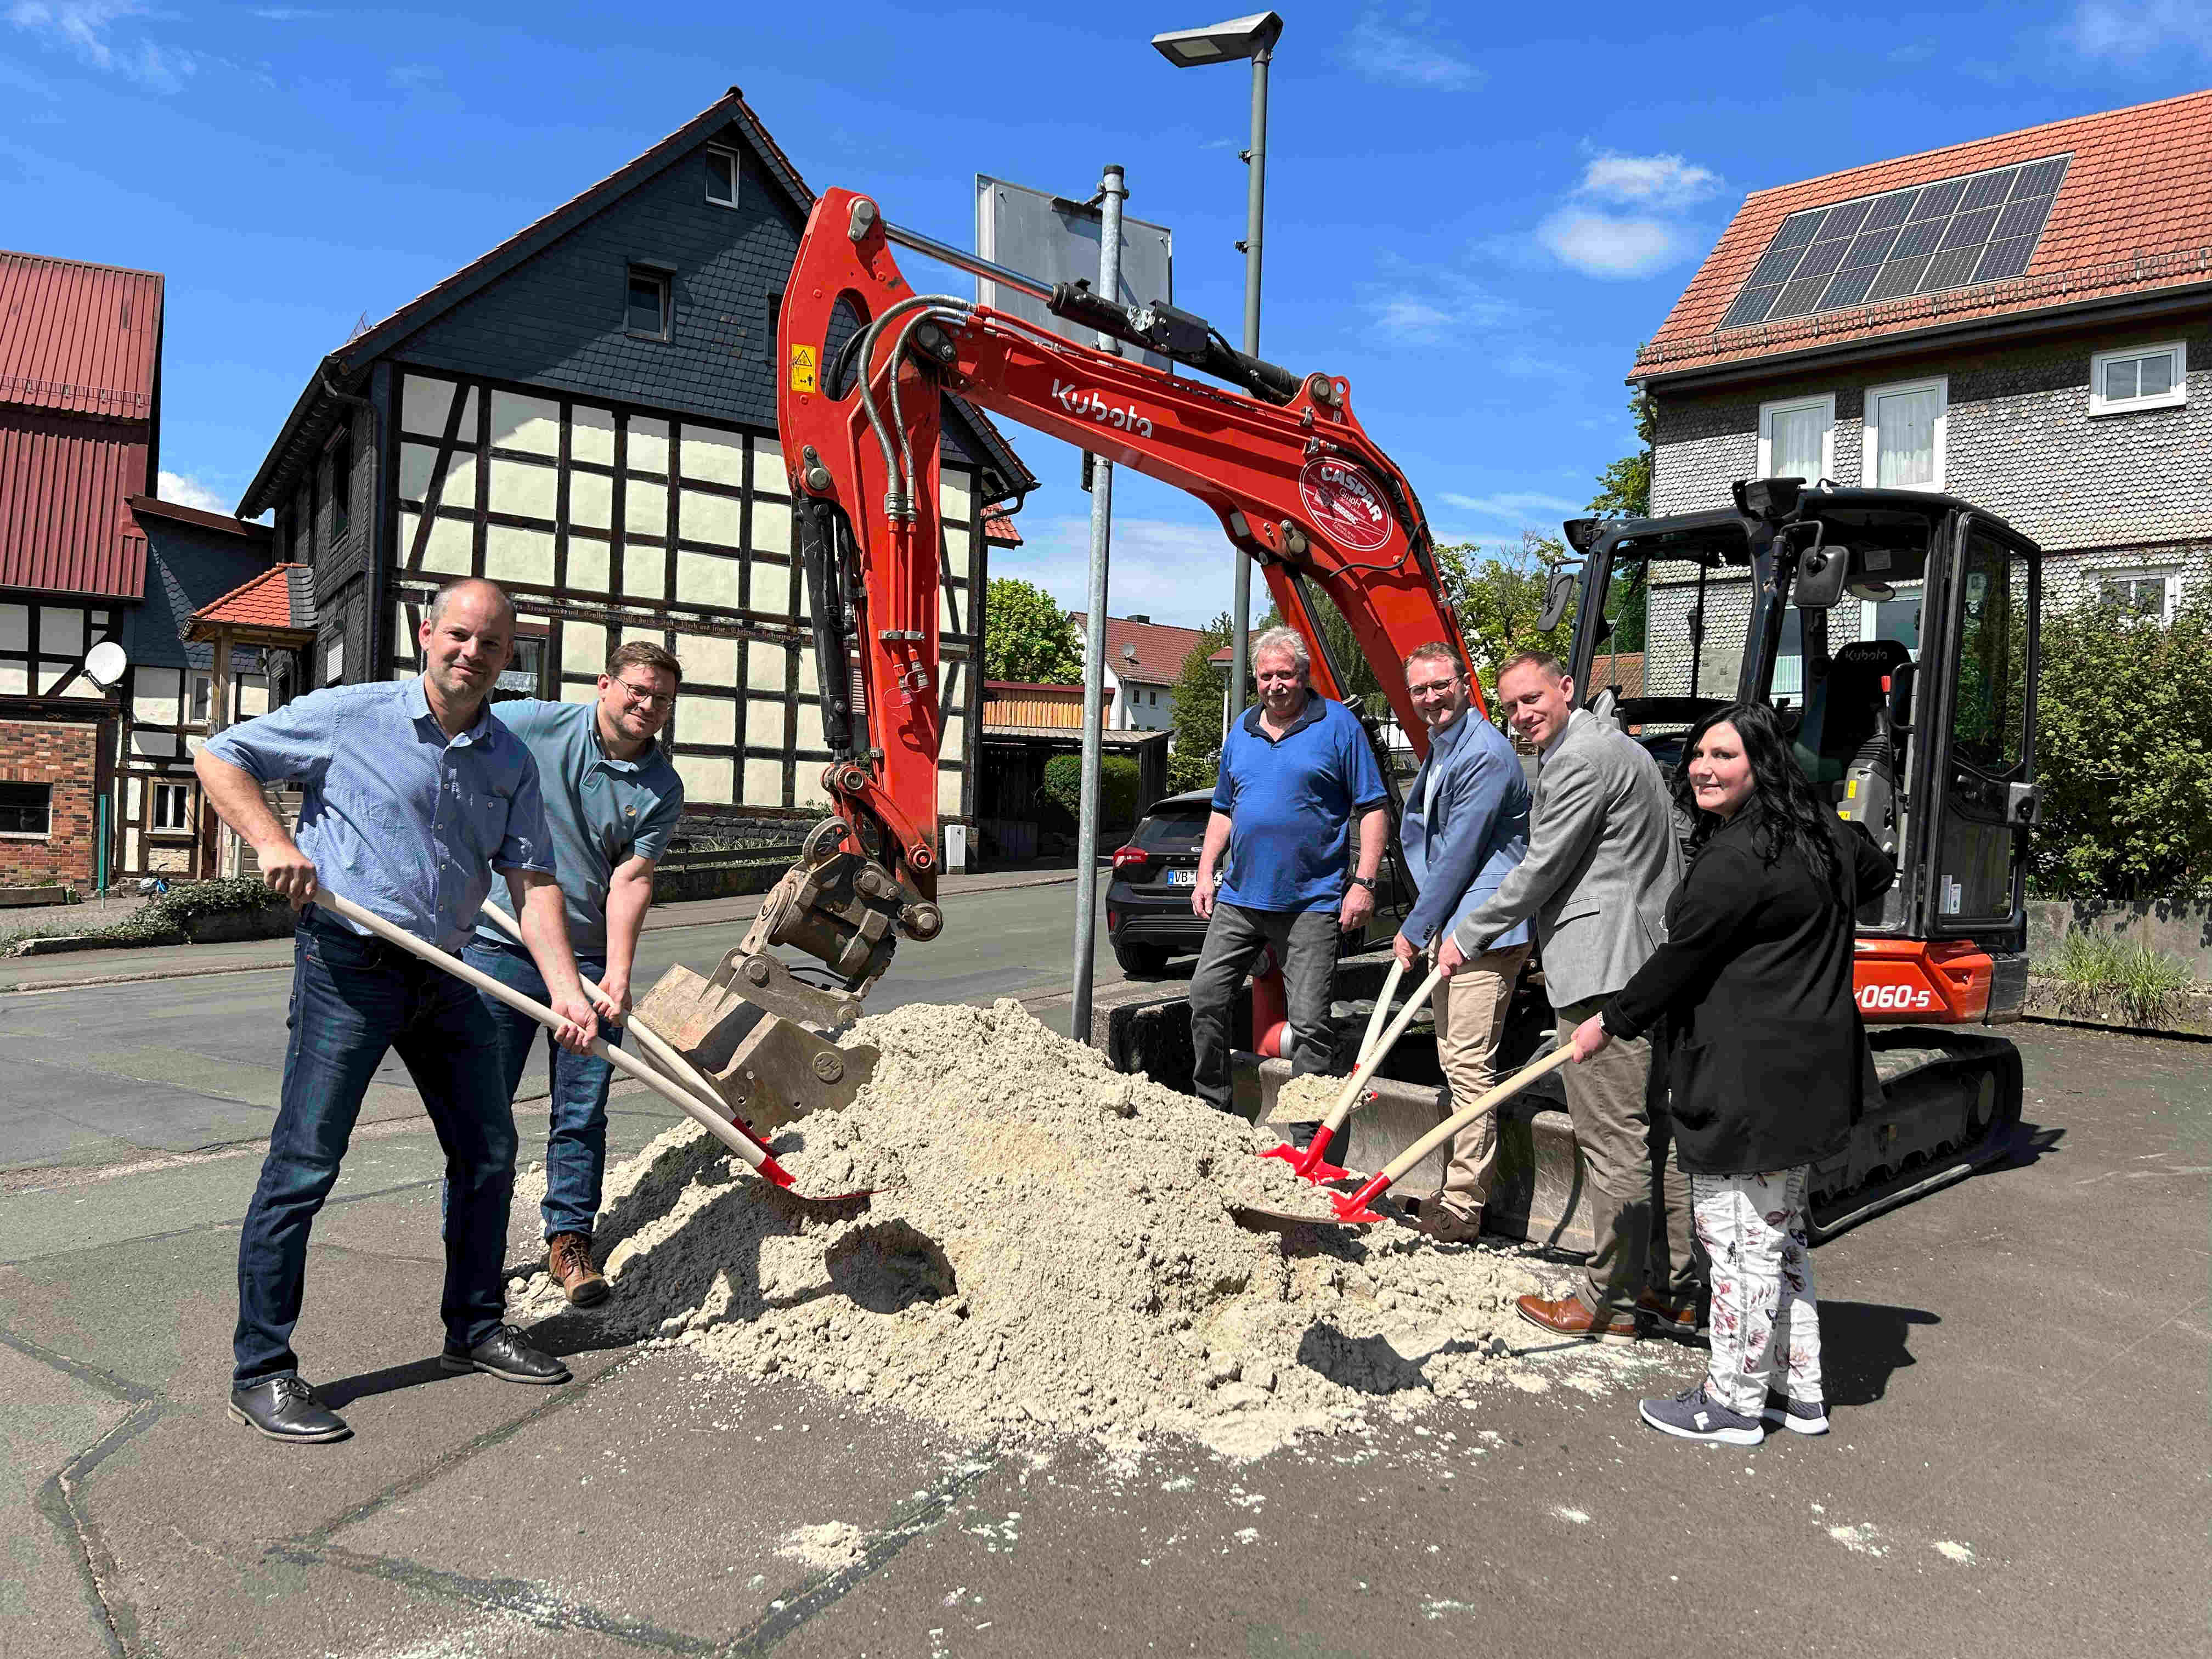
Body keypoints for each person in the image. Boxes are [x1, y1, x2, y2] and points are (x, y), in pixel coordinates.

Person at [197, 577, 603, 1445]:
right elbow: (221, 753)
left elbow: (532, 885)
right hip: (349, 962)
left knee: (489, 1148)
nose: (472, 654)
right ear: (427, 634)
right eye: (459, 636)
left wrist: (566, 990)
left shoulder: (508, 760)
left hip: (445, 966)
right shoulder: (351, 717)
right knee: (305, 1164)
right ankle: (262, 1370)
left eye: (491, 645)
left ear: (508, 657)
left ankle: (476, 1327)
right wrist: (275, 842)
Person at [1571, 702, 1894, 1444]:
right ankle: (1798, 1392)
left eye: (1724, 757)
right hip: (1814, 1067)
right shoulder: (1822, 835)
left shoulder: (1736, 858)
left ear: (1761, 766)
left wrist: (1608, 1023)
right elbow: (1873, 870)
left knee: (1737, 1243)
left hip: (1749, 1076)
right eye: (1698, 756)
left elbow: (1678, 962)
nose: (1704, 770)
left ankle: (1733, 1403)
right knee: (1780, 1238)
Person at [1440, 650, 1695, 1340]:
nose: (1524, 716)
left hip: (1602, 971)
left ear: (1566, 687)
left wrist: (1467, 934)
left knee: (1612, 1139)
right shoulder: (1625, 750)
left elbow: (1541, 867)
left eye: (1533, 699)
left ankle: (1607, 1302)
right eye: (1512, 706)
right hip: (1647, 960)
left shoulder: (1581, 758)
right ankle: (1674, 1287)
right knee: (1655, 1134)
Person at [466, 641, 686, 1306]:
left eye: (663, 700)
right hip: (501, 945)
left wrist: (617, 975)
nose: (647, 707)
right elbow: (464, 745)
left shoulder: (661, 787)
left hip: (588, 958)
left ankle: (569, 1242)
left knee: (582, 1111)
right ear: (605, 684)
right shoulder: (535, 725)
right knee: (482, 1111)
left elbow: (631, 881)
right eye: (638, 691)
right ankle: (472, 1257)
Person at [1189, 626, 1390, 1114]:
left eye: (1285, 675)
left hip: (1312, 903)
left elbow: (1374, 807)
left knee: (1310, 1023)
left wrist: (1364, 882)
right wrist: (1205, 871)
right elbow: (1223, 808)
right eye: (1266, 676)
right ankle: (1211, 1110)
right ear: (1255, 679)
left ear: (1304, 676)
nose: (1275, 685)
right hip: (1240, 898)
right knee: (1206, 998)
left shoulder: (1339, 726)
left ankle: (1305, 1140)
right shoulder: (1242, 729)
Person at [1391, 642, 1531, 1243]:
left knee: (1469, 1065)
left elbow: (1462, 854)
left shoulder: (1485, 755)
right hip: (1455, 927)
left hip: (1485, 928)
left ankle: (1465, 1205)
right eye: (1419, 690)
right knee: (1452, 1059)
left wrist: (1416, 927)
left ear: (1462, 683)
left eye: (1440, 686)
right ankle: (1456, 1189)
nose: (1430, 698)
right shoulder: (1444, 749)